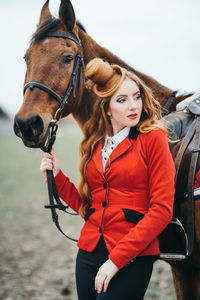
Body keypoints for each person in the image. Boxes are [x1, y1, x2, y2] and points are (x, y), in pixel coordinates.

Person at [40, 58, 176, 300]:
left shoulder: (153, 139)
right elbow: (89, 208)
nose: (133, 106)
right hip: (89, 254)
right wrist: (58, 176)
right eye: (122, 100)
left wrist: (116, 260)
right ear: (107, 107)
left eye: (137, 96)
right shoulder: (96, 144)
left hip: (132, 257)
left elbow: (161, 211)